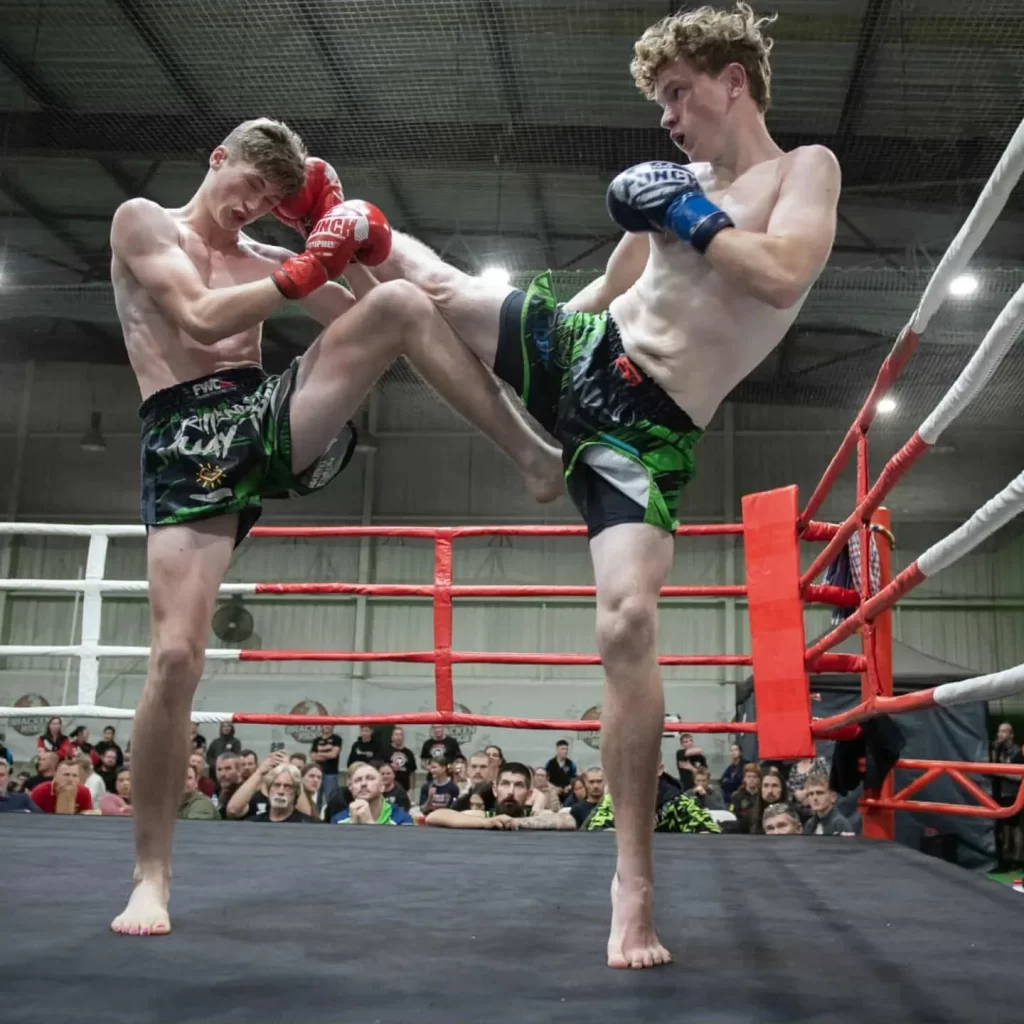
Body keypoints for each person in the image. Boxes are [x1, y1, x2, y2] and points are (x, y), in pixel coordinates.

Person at [369, 3, 839, 968]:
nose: (666, 117)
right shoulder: (674, 184)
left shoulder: (804, 170)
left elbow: (784, 274)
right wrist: (521, 343)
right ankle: (309, 205)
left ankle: (633, 886)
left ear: (733, 82)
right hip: (589, 351)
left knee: (625, 623)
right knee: (416, 282)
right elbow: (606, 292)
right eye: (660, 100)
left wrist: (690, 216)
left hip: (651, 426)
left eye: (678, 93)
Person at [106, 116, 560, 936]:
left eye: (271, 200)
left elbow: (379, 318)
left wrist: (353, 243)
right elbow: (199, 316)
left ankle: (534, 455)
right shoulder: (143, 221)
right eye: (250, 185)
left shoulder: (269, 257)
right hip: (183, 438)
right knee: (175, 659)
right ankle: (151, 875)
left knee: (401, 302)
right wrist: (304, 268)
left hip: (263, 411)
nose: (253, 205)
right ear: (218, 157)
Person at [426, 762, 576, 831]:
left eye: (518, 785)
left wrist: (516, 822)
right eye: (505, 784)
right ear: (495, 790)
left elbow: (568, 820)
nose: (511, 791)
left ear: (529, 793)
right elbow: (434, 816)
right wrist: (487, 823)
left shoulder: (535, 816)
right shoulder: (484, 817)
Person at [330, 762, 413, 825]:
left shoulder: (401, 818)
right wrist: (351, 828)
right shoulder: (338, 821)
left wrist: (370, 824)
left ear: (382, 787)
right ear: (351, 788)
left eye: (370, 778)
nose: (363, 784)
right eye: (358, 780)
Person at [249, 763, 315, 824]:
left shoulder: (309, 826)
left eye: (287, 786)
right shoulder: (253, 824)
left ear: (296, 791)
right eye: (276, 785)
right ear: (269, 789)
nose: (280, 791)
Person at [383, 726, 418, 795]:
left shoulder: (409, 753)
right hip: (387, 789)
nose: (398, 737)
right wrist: (389, 766)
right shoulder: (385, 751)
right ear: (392, 737)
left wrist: (412, 790)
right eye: (396, 734)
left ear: (403, 737)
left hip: (404, 789)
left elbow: (412, 773)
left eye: (400, 735)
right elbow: (379, 768)